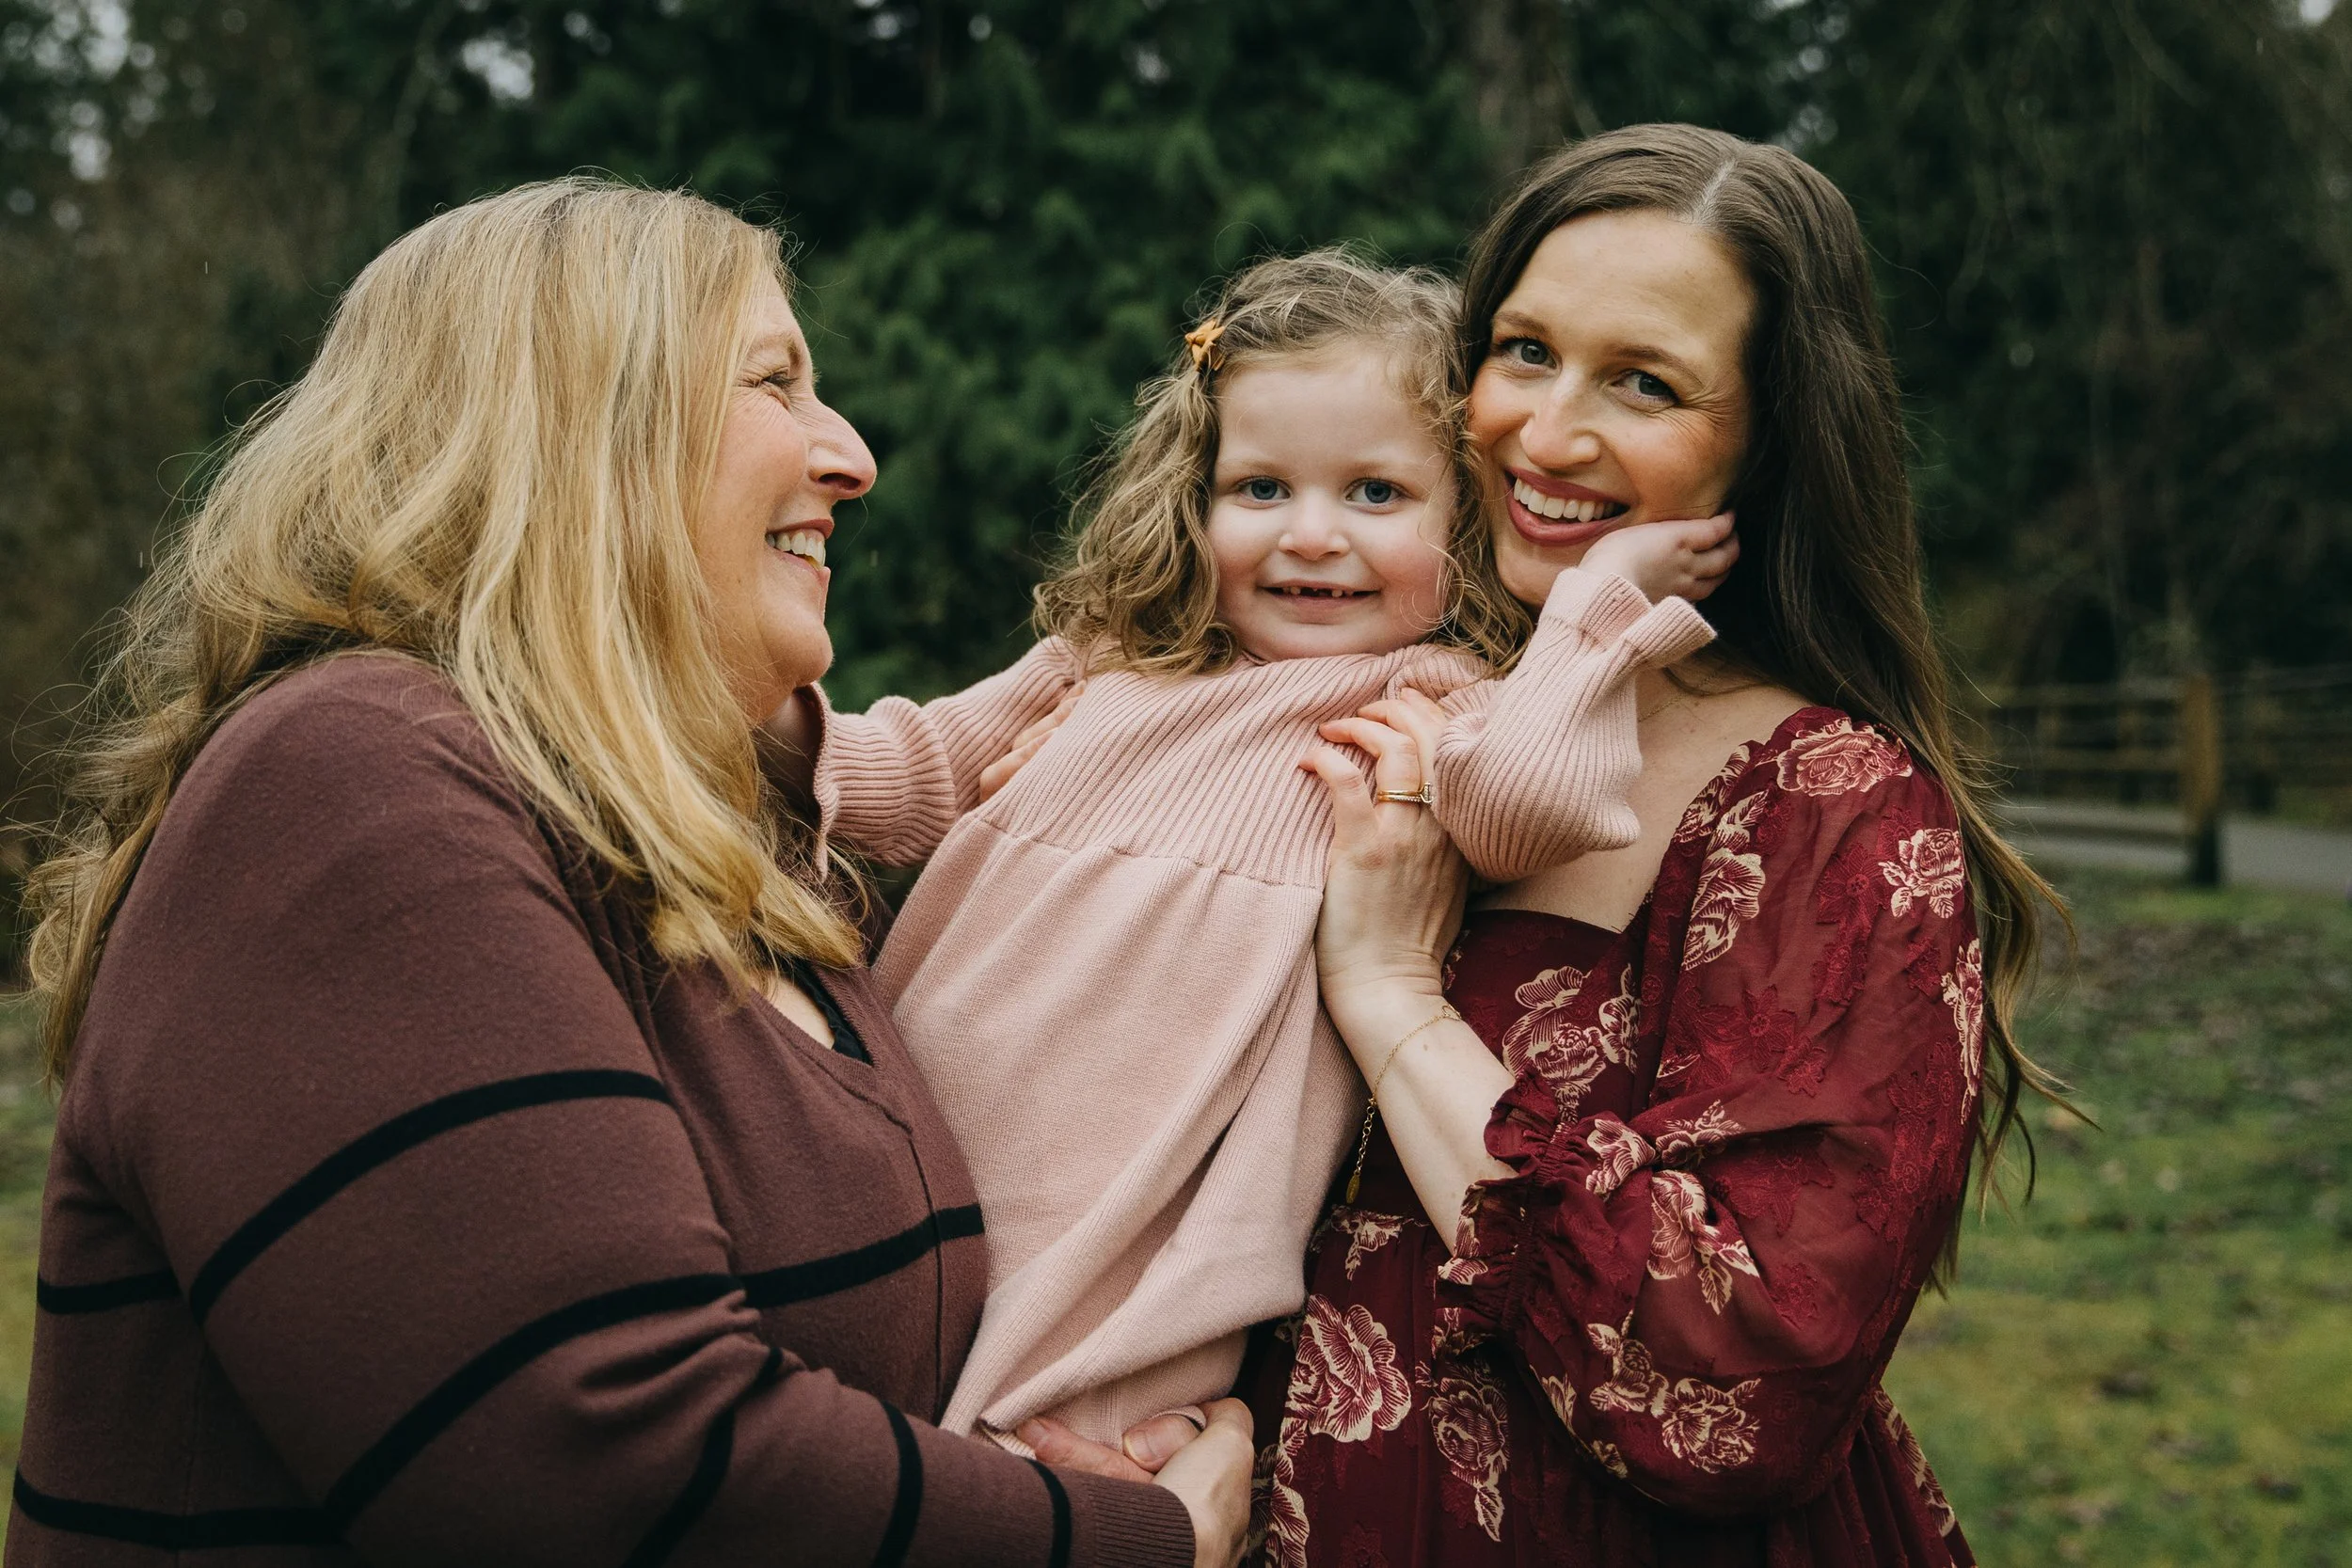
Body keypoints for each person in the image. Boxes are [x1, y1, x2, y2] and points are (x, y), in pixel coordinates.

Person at [10, 177, 1254, 1568]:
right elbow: (597, 1463)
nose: (852, 457)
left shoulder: (723, 861)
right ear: (579, 425)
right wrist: (1140, 1539)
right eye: (776, 380)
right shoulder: (351, 777)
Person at [1224, 124, 2066, 1565]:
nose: (1546, 436)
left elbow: (1733, 1381)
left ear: (1768, 437)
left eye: (1645, 383)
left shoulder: (1830, 809)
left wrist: (1389, 991)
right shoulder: (1371, 690)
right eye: (1524, 350)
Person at [762, 250, 1737, 1453]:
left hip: (1143, 1217)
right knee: (821, 1425)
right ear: (1195, 496)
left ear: (1467, 515)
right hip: (922, 1116)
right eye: (1261, 487)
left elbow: (1536, 800)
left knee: (1032, 1469)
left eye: (1377, 493)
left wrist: (1596, 599)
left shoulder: (1431, 705)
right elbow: (901, 773)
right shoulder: (1110, 661)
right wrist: (724, 717)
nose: (1311, 535)